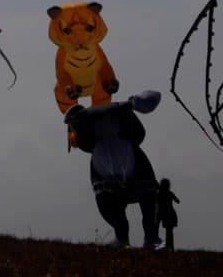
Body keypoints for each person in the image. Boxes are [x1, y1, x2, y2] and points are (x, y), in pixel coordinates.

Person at [66, 90, 161, 247]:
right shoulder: (103, 151)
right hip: (111, 168)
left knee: (147, 198)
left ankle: (147, 237)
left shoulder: (131, 154)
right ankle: (125, 237)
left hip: (125, 165)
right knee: (115, 202)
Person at [156, 177, 179, 251]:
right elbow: (177, 201)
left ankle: (167, 247)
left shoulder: (159, 194)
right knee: (169, 232)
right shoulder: (169, 193)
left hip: (163, 214)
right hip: (170, 214)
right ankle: (170, 247)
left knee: (167, 232)